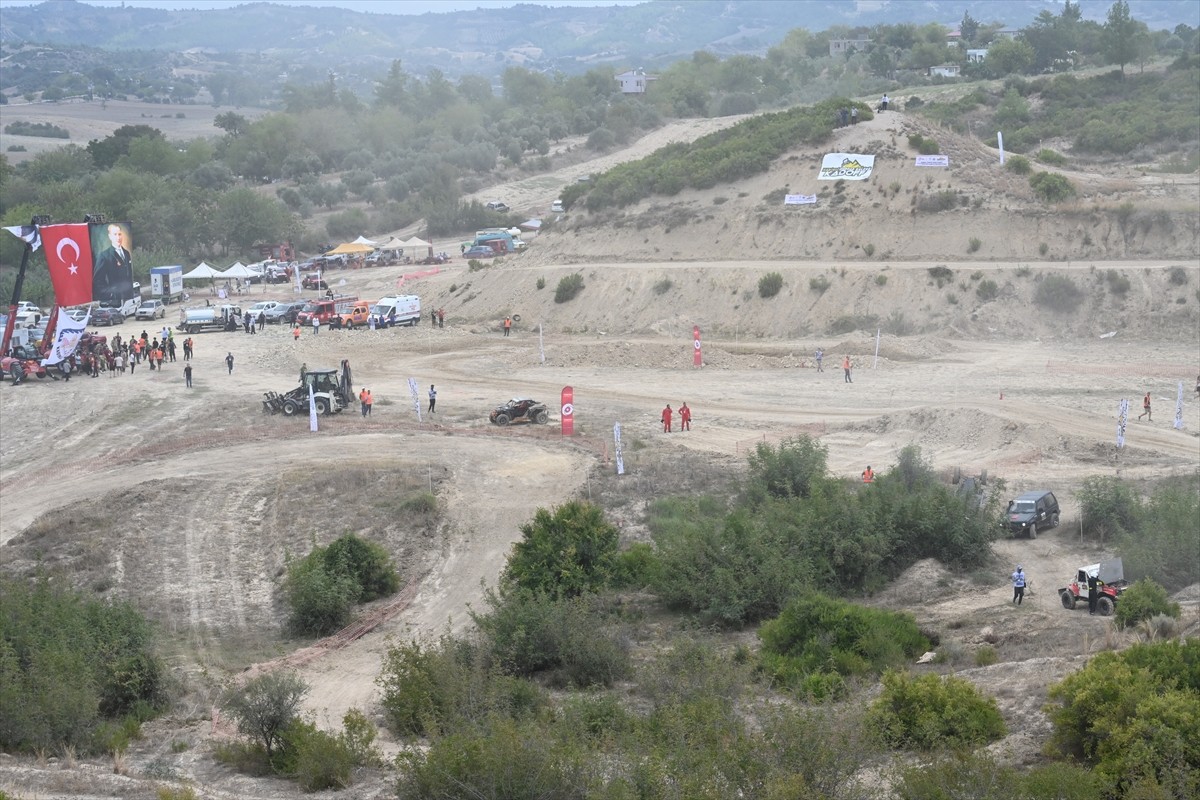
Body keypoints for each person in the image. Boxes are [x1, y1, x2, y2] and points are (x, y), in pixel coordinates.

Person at [91, 223, 135, 308]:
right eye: (115, 234)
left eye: (119, 234)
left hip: (127, 296)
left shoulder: (126, 253)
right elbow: (97, 281)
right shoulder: (104, 256)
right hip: (114, 298)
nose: (118, 238)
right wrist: (110, 293)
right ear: (110, 236)